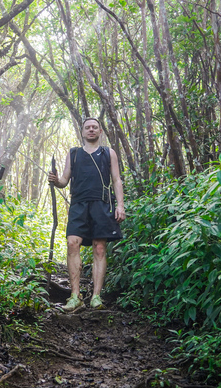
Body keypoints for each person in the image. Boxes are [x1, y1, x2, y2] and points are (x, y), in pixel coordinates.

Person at [48, 117, 126, 311]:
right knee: (72, 243)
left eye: (95, 127)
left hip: (101, 204)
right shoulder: (73, 153)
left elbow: (116, 180)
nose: (91, 130)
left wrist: (120, 205)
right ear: (82, 132)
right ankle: (75, 297)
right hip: (78, 205)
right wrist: (55, 180)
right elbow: (65, 180)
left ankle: (96, 297)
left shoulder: (109, 153)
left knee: (99, 248)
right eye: (87, 127)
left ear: (100, 132)